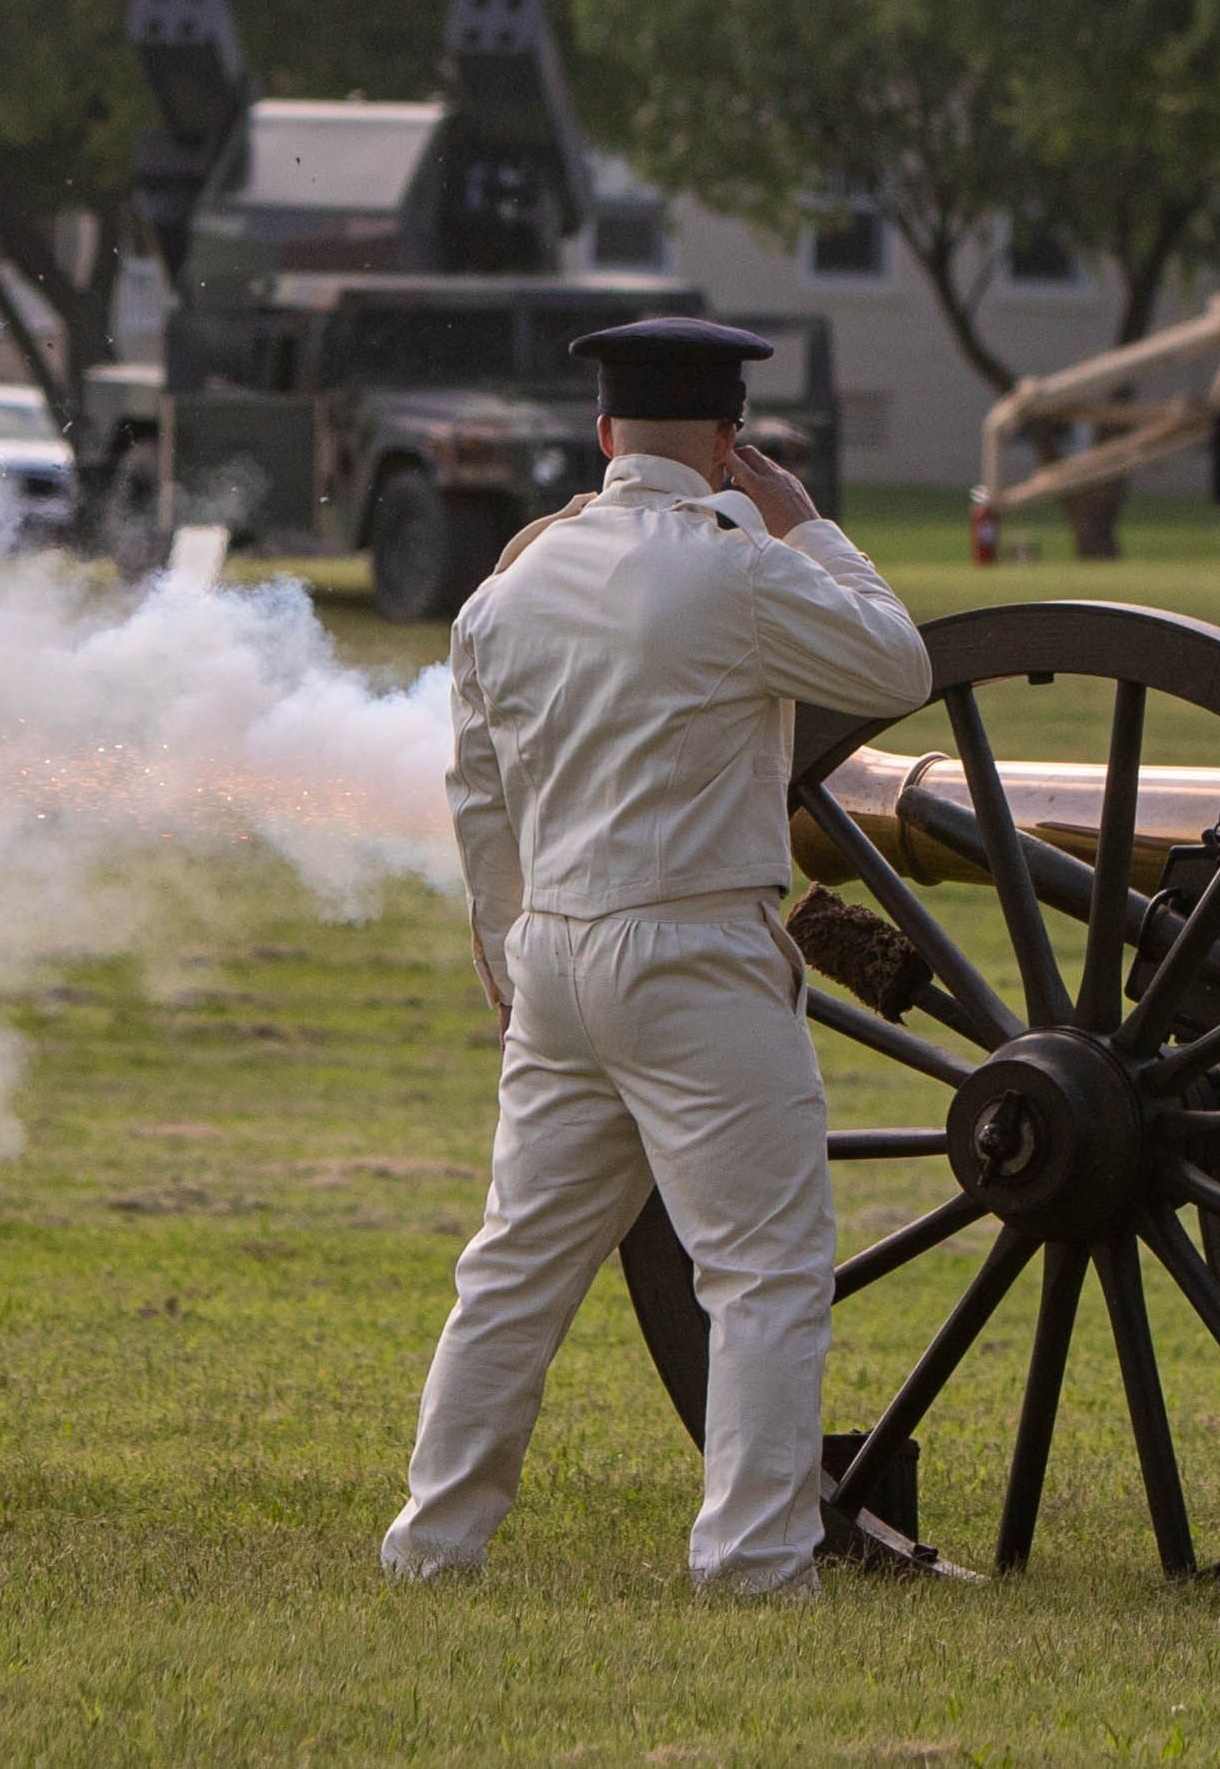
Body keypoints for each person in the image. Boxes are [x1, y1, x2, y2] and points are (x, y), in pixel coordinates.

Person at [381, 316, 934, 1595]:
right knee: (766, 1267)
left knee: (515, 1265)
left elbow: (477, 798)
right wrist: (802, 523)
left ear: (603, 433)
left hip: (557, 951)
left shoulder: (507, 588)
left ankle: (432, 1540)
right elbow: (894, 659)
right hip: (693, 947)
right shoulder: (732, 566)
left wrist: (505, 958)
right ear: (730, 445)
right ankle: (749, 1561)